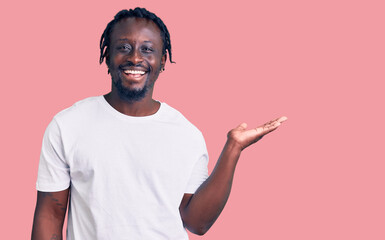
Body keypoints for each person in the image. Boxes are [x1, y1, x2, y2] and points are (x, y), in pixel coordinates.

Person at [31, 7, 287, 240]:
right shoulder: (68, 125)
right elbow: (51, 214)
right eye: (123, 47)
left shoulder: (186, 134)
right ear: (107, 56)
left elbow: (197, 223)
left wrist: (233, 148)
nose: (135, 58)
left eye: (147, 49)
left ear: (162, 61)